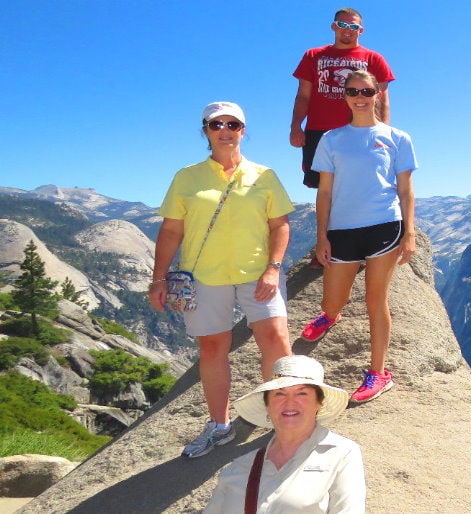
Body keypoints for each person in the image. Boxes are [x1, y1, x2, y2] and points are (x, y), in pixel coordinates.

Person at [150, 101, 294, 459]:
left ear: (243, 131)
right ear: (206, 131)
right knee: (213, 347)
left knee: (275, 338)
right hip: (205, 276)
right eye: (217, 125)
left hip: (257, 272)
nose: (225, 130)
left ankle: (286, 418)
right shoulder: (187, 177)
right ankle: (220, 425)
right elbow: (171, 231)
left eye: (233, 124)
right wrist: (159, 278)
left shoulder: (264, 175)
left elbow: (280, 225)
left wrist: (274, 267)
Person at [299, 69, 417, 404]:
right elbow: (324, 193)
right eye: (353, 91)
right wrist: (321, 236)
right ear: (345, 96)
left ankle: (378, 373)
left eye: (366, 91)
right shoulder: (332, 139)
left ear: (378, 93)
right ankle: (331, 315)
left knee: (375, 300)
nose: (360, 97)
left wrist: (408, 232)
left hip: (384, 225)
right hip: (342, 229)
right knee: (331, 301)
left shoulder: (397, 138)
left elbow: (406, 190)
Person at [203, 355, 364, 513]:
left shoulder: (341, 454)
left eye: (302, 393)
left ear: (319, 403)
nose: (289, 402)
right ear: (267, 405)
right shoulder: (239, 467)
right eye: (279, 394)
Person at [290, 7, 395, 191]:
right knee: (323, 186)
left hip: (361, 131)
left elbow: (382, 99)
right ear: (333, 26)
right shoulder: (313, 56)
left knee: (362, 184)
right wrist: (296, 126)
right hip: (318, 132)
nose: (347, 29)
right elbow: (303, 96)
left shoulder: (374, 58)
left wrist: (384, 132)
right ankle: (326, 222)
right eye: (342, 24)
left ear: (361, 30)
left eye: (353, 26)